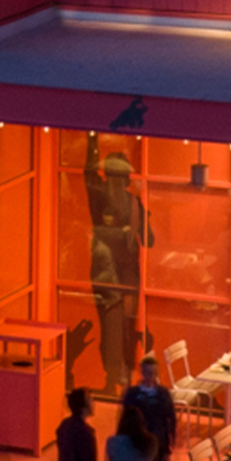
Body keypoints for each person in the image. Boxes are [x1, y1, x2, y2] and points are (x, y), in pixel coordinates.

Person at [82, 134, 152, 390]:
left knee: (116, 330)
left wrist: (92, 140)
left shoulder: (106, 198)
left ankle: (116, 378)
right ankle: (120, 376)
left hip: (113, 278)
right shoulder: (131, 202)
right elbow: (150, 239)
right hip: (123, 278)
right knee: (121, 328)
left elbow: (89, 175)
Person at [122, 355, 178, 461]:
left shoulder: (163, 394)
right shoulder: (132, 394)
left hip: (158, 446)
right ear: (141, 372)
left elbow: (171, 421)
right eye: (147, 372)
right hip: (136, 446)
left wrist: (168, 450)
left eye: (153, 373)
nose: (149, 376)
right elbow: (123, 421)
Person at [54, 388, 99, 461]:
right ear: (83, 407)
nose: (94, 403)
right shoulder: (86, 433)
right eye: (91, 400)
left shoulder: (64, 426)